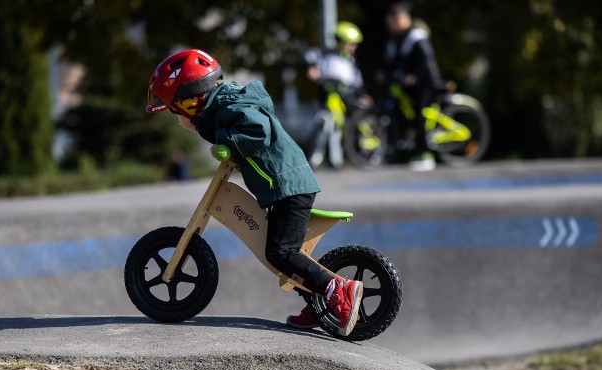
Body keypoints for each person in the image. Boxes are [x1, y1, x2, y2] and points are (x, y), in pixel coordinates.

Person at [146, 49, 363, 335]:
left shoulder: (229, 109)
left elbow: (259, 131)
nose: (178, 119)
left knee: (280, 252)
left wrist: (227, 142)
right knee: (282, 248)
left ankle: (340, 290)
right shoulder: (226, 106)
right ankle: (319, 301)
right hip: (284, 184)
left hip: (287, 185)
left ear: (192, 101)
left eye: (177, 110)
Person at [379, 1, 443, 171]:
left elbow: (426, 63)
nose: (391, 25)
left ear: (402, 18)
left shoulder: (416, 36)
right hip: (406, 85)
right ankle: (405, 149)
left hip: (425, 83)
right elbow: (391, 62)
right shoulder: (395, 40)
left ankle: (426, 155)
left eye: (393, 21)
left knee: (419, 114)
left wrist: (414, 76)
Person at [304, 22, 371, 169]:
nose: (354, 47)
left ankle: (338, 160)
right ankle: (314, 159)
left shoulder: (351, 60)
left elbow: (356, 80)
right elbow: (309, 54)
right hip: (328, 97)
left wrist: (363, 94)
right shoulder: (327, 52)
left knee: (343, 127)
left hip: (346, 98)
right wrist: (312, 67)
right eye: (351, 44)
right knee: (326, 124)